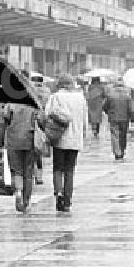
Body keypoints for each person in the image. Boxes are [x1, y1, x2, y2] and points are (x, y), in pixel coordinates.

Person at [44, 73, 87, 211]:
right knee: (70, 170)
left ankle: (59, 195)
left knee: (58, 168)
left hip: (59, 138)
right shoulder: (80, 98)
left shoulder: (55, 97)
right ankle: (68, 200)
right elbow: (85, 120)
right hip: (75, 139)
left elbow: (47, 114)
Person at [4, 100, 41, 212]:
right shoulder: (33, 104)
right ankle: (26, 201)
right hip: (29, 140)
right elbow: (41, 120)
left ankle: (18, 193)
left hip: (13, 140)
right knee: (28, 172)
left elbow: (5, 118)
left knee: (16, 171)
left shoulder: (10, 104)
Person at [102, 81, 134, 161]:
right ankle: (122, 150)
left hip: (113, 118)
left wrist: (108, 113)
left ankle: (117, 152)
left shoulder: (110, 95)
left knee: (115, 135)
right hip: (124, 119)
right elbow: (131, 109)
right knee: (123, 135)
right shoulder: (127, 96)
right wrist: (132, 118)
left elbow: (104, 106)